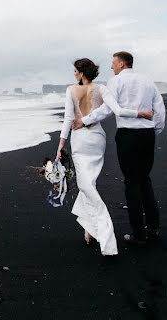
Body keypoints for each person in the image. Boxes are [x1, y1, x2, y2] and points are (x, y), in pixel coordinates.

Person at [56, 58, 154, 256]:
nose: (74, 74)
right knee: (88, 183)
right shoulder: (102, 89)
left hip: (81, 140)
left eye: (75, 71)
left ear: (82, 73)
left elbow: (68, 118)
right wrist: (139, 113)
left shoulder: (71, 90)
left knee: (86, 184)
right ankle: (89, 229)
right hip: (97, 137)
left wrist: (61, 145)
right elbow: (116, 110)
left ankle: (105, 235)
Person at [75, 51, 165, 245]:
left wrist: (85, 120)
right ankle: (154, 227)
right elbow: (160, 109)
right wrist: (153, 131)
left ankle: (139, 234)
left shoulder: (115, 82)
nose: (111, 66)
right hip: (147, 136)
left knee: (132, 183)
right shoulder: (148, 81)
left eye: (113, 63)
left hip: (128, 135)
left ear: (122, 64)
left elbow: (107, 109)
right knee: (144, 179)